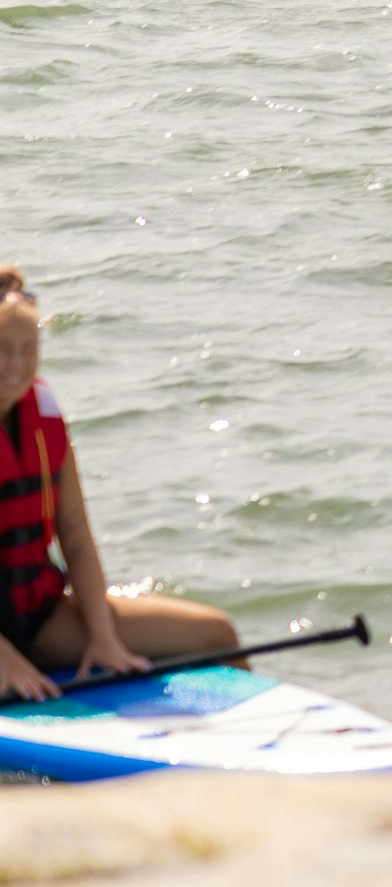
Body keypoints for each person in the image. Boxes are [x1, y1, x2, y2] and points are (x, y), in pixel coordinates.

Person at [0, 269, 241, 702]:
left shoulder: (44, 415)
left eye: (28, 349)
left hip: (36, 616)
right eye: (2, 350)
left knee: (217, 633)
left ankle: (253, 752)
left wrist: (103, 636)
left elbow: (73, 531)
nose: (16, 365)